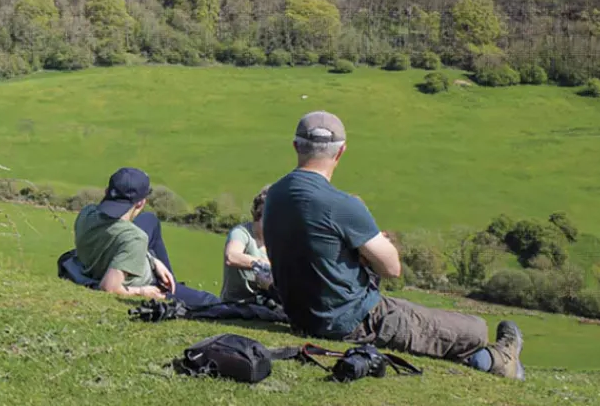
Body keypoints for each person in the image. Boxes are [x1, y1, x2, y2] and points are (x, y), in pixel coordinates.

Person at [263, 111, 525, 379]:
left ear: (296, 146)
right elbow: (391, 268)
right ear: (341, 152)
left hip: (302, 316)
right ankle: (499, 360)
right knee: (474, 329)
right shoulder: (341, 204)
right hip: (354, 320)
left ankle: (489, 361)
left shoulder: (274, 195)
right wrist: (367, 250)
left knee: (427, 319)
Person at [72, 166, 218, 306]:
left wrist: (153, 260)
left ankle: (171, 281)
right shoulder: (135, 238)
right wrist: (142, 291)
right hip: (143, 281)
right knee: (209, 300)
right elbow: (109, 287)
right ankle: (169, 288)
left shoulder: (87, 213)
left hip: (102, 260)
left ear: (106, 192)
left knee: (149, 220)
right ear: (141, 202)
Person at [221, 185, 274, 303]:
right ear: (258, 213)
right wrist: (264, 265)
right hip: (237, 303)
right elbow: (231, 256)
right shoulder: (241, 233)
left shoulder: (278, 240)